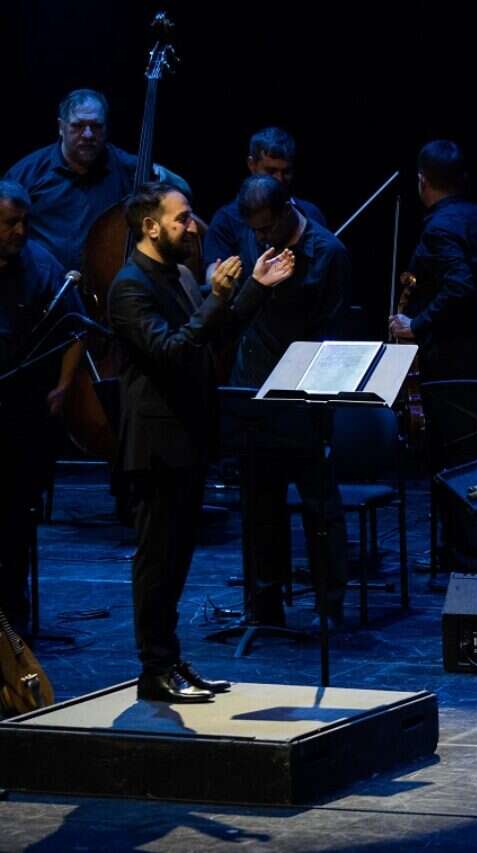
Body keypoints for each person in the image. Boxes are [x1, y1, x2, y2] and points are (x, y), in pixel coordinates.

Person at [109, 181, 294, 702]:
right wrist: (217, 296)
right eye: (182, 218)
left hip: (188, 438)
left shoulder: (180, 275)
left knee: (177, 561)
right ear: (151, 227)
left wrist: (254, 286)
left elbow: (215, 333)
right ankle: (154, 669)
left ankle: (169, 661)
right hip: (156, 444)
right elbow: (172, 350)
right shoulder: (129, 286)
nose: (194, 228)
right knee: (158, 561)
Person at [228, 175, 351, 628]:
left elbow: (331, 329)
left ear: (287, 212)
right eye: (255, 231)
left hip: (304, 393)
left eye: (266, 228)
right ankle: (264, 605)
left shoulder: (329, 252)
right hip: (255, 386)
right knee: (260, 504)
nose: (260, 237)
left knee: (319, 503)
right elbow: (240, 311)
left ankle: (329, 605)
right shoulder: (255, 238)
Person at [0, 180, 87, 637]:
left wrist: (63, 386)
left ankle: (12, 619)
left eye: (23, 222)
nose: (20, 231)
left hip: (22, 412)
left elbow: (75, 330)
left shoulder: (42, 265)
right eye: (9, 223)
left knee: (16, 517)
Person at [4, 89, 188, 270]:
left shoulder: (128, 168)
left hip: (109, 282)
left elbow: (183, 191)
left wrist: (162, 176)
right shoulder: (28, 173)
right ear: (61, 127)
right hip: (46, 282)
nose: (88, 135)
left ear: (106, 128)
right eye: (78, 126)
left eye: (96, 126)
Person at [388, 140, 477, 379]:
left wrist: (417, 323)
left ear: (422, 180)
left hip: (453, 360)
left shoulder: (439, 228)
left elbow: (459, 285)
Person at [202, 127, 328, 284]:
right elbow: (213, 272)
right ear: (251, 164)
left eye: (286, 172)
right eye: (271, 171)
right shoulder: (226, 219)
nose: (279, 180)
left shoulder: (311, 213)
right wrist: (219, 277)